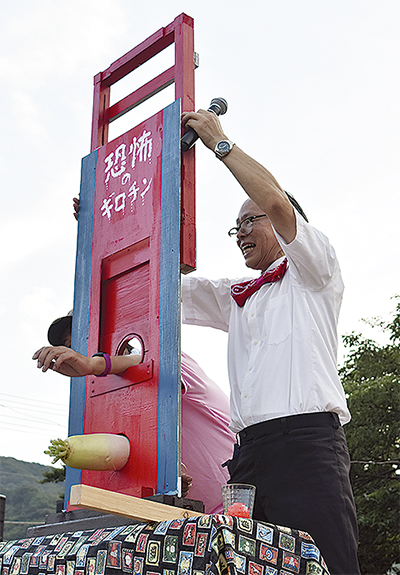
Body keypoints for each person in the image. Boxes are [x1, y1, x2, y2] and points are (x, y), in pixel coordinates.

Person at [179, 109, 360, 574]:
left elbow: (278, 204)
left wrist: (220, 142)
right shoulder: (234, 295)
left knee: (328, 564)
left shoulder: (314, 271)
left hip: (307, 445)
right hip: (247, 456)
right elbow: (157, 281)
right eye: (234, 229)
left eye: (248, 223)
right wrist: (103, 221)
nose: (240, 235)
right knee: (247, 566)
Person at [35, 313, 235, 514]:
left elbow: (144, 361)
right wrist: (165, 480)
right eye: (70, 347)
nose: (74, 354)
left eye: (85, 339)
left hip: (236, 505)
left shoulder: (173, 360)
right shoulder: (110, 409)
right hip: (187, 518)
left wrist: (94, 365)